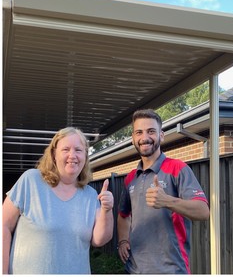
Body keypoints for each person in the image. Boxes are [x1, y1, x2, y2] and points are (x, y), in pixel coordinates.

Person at [2, 127, 114, 274]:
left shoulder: (91, 195)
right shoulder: (31, 180)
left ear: (85, 157)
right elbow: (3, 225)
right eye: (66, 149)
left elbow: (99, 240)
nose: (72, 155)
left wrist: (107, 209)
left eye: (78, 150)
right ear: (54, 154)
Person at [117, 109, 210, 274]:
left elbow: (203, 212)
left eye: (151, 131)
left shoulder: (178, 168)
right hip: (134, 269)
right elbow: (124, 215)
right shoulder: (130, 178)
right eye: (139, 132)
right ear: (133, 138)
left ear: (162, 135)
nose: (145, 138)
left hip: (171, 270)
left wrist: (167, 201)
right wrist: (123, 241)